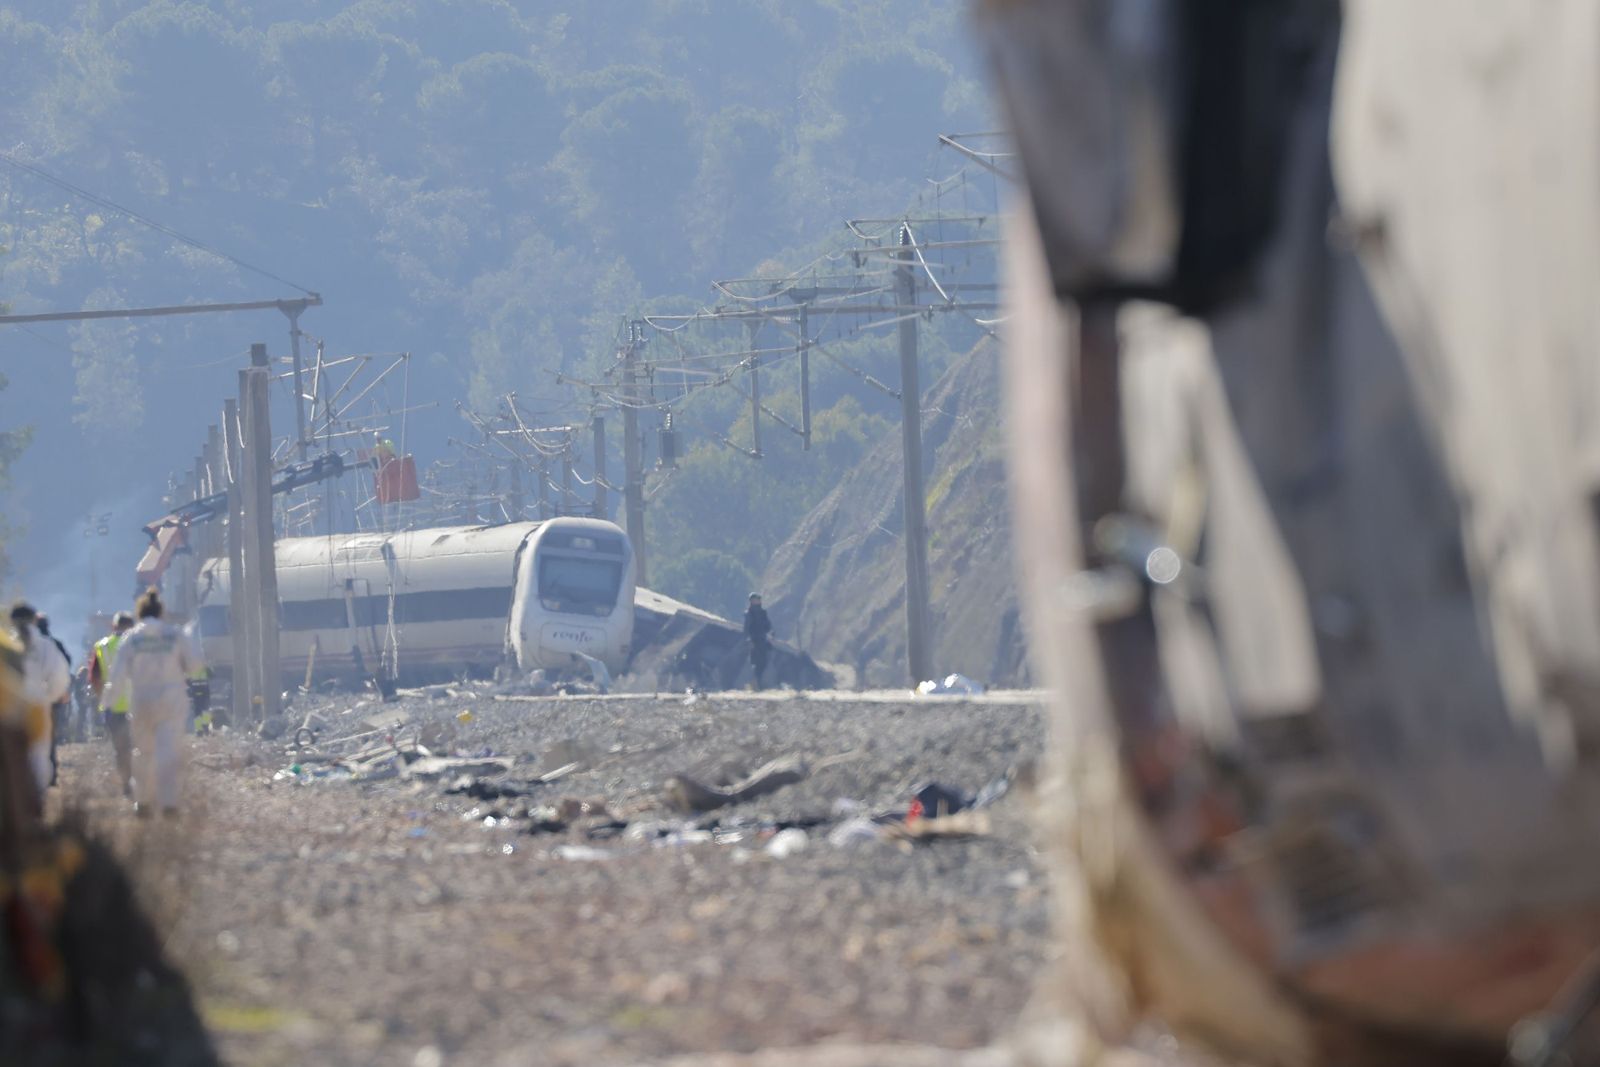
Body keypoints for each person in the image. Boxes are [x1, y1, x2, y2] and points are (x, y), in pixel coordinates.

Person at [105, 590, 203, 818]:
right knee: (168, 751)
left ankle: (143, 802)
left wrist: (108, 702)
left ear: (139, 613)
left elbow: (117, 675)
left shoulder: (131, 638)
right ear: (161, 613)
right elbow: (196, 664)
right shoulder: (175, 635)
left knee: (143, 751)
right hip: (171, 699)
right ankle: (169, 804)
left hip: (141, 700)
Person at [9, 602, 70, 798]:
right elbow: (60, 677)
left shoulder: (7, 645)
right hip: (37, 706)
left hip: (10, 709)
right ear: (35, 620)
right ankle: (37, 800)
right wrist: (48, 698)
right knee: (39, 755)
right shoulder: (46, 646)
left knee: (11, 756)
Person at [91, 611, 135, 797]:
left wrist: (102, 698)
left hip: (113, 706)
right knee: (140, 746)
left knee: (121, 748)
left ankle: (126, 782)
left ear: (113, 627)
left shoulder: (102, 646)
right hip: (138, 704)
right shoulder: (138, 645)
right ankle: (142, 782)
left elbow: (95, 678)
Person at [34, 614, 72, 786]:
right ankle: (52, 773)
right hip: (51, 696)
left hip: (30, 696)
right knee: (50, 735)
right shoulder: (55, 644)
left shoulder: (26, 643)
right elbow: (66, 664)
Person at [742, 592, 773, 690]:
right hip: (754, 641)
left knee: (764, 662)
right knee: (756, 663)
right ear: (751, 601)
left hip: (763, 640)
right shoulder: (749, 613)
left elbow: (768, 625)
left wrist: (771, 634)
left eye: (758, 599)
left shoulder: (763, 612)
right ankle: (757, 684)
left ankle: (758, 683)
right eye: (755, 599)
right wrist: (749, 640)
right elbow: (746, 629)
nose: (758, 601)